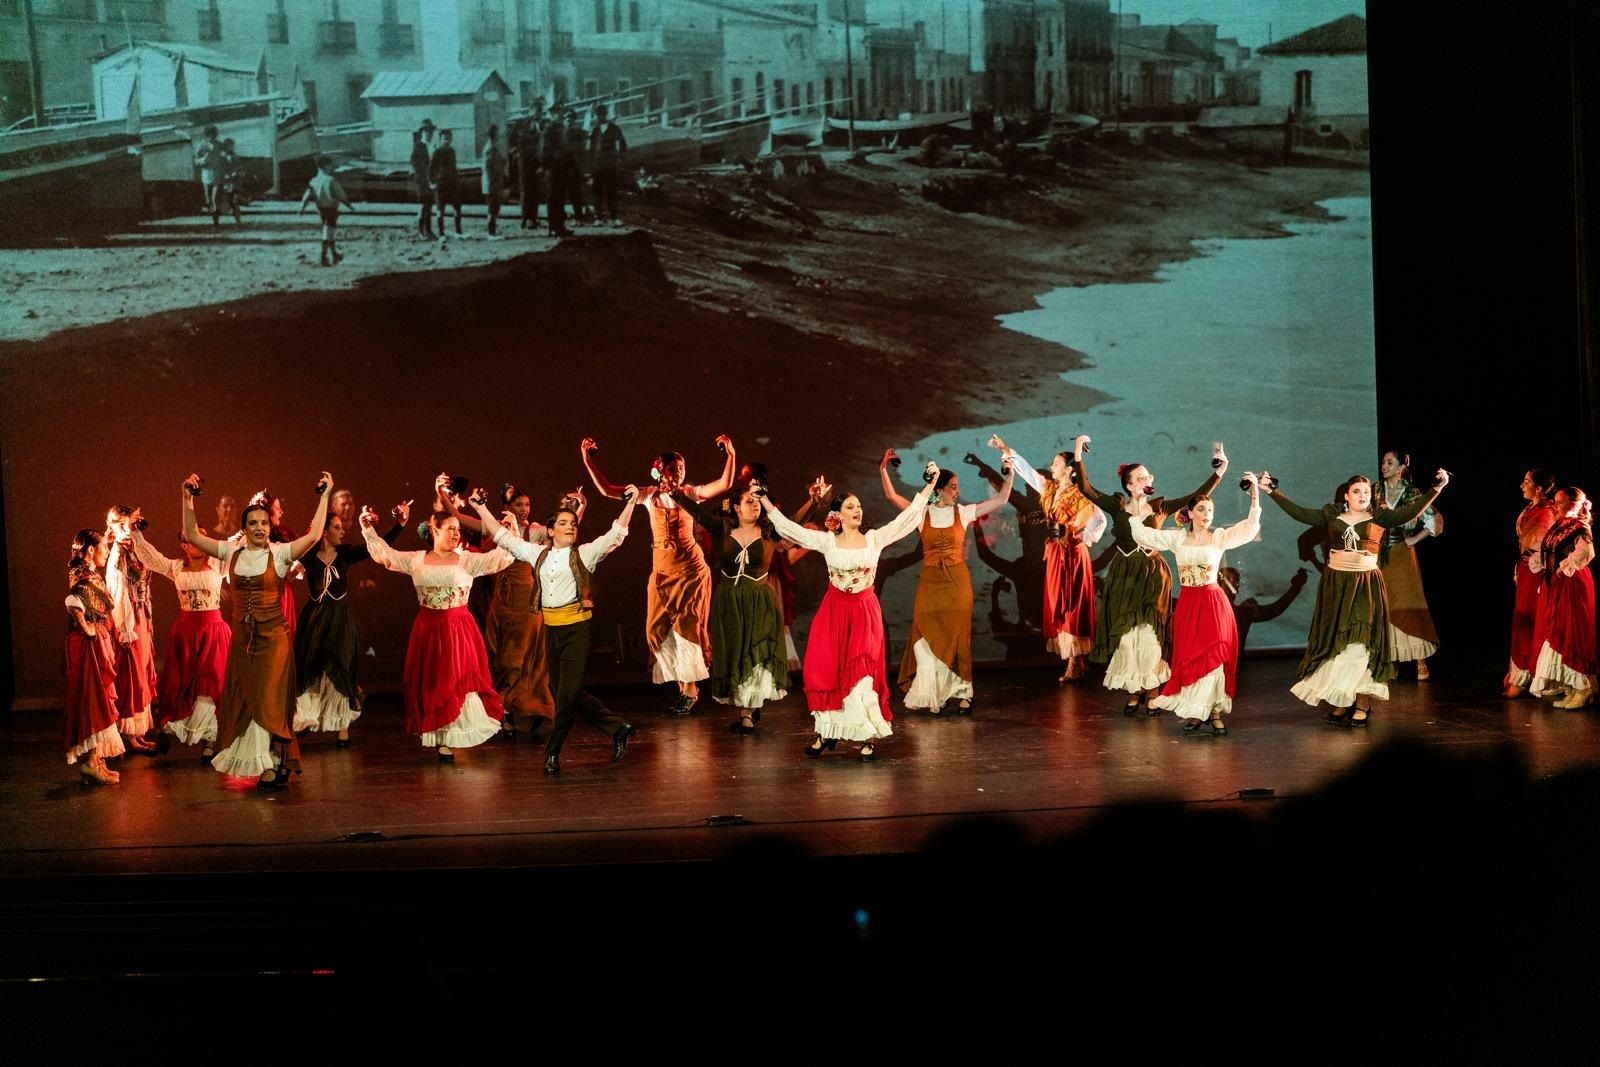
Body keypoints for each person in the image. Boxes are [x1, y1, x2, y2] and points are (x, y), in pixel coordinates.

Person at [762, 471, 940, 760]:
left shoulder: (874, 539)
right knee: (828, 672)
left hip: (864, 614)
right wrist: (767, 504)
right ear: (838, 514)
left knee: (862, 674)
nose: (857, 510)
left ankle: (867, 736)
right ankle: (828, 732)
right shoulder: (827, 541)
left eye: (858, 506)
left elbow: (906, 520)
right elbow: (791, 531)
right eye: (850, 507)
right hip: (833, 614)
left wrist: (929, 485)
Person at [470, 488, 641, 773]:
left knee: (565, 695)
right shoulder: (537, 554)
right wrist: (480, 508)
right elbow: (503, 537)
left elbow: (617, 534)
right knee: (560, 689)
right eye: (563, 523)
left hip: (576, 630)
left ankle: (552, 753)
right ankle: (617, 728)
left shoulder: (585, 554)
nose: (570, 527)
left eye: (572, 523)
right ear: (549, 530)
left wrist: (632, 502)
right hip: (551, 630)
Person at [1264, 468, 1448, 725]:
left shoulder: (1379, 516)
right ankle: (1344, 700)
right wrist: (1273, 491)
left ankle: (1362, 703)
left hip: (1365, 585)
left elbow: (1410, 512)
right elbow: (1300, 513)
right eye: (1356, 491)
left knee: (1361, 644)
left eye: (1366, 492)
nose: (1362, 495)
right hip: (1337, 586)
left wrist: (1435, 489)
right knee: (1338, 645)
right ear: (1346, 496)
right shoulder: (1332, 514)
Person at [183, 471, 332, 789]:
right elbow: (193, 535)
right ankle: (263, 760)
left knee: (271, 699)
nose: (260, 528)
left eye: (264, 523)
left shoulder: (279, 554)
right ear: (244, 527)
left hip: (274, 638)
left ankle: (277, 760)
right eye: (253, 523)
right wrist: (188, 498)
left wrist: (324, 496)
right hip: (242, 640)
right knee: (246, 699)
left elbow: (315, 534)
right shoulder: (230, 552)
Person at [359, 476, 514, 762]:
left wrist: (510, 530)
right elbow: (386, 556)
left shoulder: (467, 560)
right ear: (435, 529)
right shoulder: (417, 559)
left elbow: (501, 559)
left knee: (457, 680)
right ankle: (441, 737)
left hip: (459, 629)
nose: (457, 534)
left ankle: (456, 732)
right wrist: (367, 528)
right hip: (429, 630)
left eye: (458, 529)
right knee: (435, 682)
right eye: (451, 529)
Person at [581, 435, 737, 713]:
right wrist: (587, 459)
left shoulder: (689, 493)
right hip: (662, 570)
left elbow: (723, 484)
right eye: (673, 468)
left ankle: (690, 691)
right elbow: (607, 491)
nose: (678, 472)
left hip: (690, 569)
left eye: (681, 468)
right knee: (657, 630)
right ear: (660, 470)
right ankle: (682, 686)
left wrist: (730, 455)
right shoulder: (648, 495)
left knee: (687, 627)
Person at [1073, 436, 1224, 712]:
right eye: (1141, 477)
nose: (1146, 480)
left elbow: (1195, 498)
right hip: (1124, 575)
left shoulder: (1160, 507)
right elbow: (1085, 488)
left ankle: (1153, 691)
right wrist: (1078, 454)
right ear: (1130, 485)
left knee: (1150, 635)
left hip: (1153, 575)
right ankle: (1134, 691)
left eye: (1148, 476)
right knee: (1128, 638)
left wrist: (1218, 473)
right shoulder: (1117, 506)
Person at [880, 448, 1014, 714]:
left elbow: (1001, 499)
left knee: (957, 637)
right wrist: (883, 469)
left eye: (958, 487)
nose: (957, 491)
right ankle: (936, 694)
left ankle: (964, 692)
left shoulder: (963, 513)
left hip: (956, 582)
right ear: (939, 489)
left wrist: (1009, 473)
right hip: (930, 583)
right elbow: (892, 496)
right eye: (953, 487)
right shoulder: (921, 514)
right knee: (926, 638)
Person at [1128, 475, 1263, 735]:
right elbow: (1144, 535)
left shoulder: (1220, 537)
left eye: (1210, 510)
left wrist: (1255, 495)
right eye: (1201, 509)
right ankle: (1195, 712)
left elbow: (1248, 528)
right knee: (1190, 658)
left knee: (1214, 658)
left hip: (1213, 603)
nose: (1207, 514)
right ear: (1189, 513)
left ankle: (1213, 713)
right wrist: (1136, 507)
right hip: (1190, 605)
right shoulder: (1177, 539)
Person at [659, 482, 788, 733]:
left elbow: (793, 522)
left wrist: (815, 501)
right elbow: (697, 513)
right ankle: (749, 703)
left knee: (758, 649)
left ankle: (747, 712)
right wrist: (675, 493)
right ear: (736, 507)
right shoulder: (724, 527)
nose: (754, 505)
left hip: (759, 600)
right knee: (737, 651)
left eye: (757, 500)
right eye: (748, 501)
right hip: (730, 600)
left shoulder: (769, 530)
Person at [991, 435, 1108, 684]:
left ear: (1069, 470)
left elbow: (1100, 520)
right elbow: (1027, 472)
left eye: (1056, 463)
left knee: (1072, 603)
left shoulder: (1082, 495)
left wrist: (1080, 536)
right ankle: (1075, 659)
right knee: (1058, 603)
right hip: (1056, 553)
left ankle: (1075, 660)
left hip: (1074, 554)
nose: (1052, 466)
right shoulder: (1050, 490)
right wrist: (1005, 448)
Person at [292, 501, 409, 747]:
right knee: (312, 666)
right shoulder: (309, 557)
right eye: (336, 527)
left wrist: (398, 525)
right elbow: (285, 557)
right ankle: (306, 718)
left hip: (340, 619)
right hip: (315, 620)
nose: (342, 530)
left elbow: (374, 549)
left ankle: (342, 726)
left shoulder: (345, 554)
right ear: (323, 532)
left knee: (342, 666)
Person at [131, 506, 228, 760]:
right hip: (186, 633)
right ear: (185, 545)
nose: (201, 543)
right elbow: (150, 557)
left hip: (213, 632)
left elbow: (236, 543)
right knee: (182, 684)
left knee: (210, 683)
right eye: (194, 538)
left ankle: (210, 739)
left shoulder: (219, 564)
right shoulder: (176, 568)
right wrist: (136, 534)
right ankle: (180, 729)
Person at [63, 530, 124, 785]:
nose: (106, 551)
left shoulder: (86, 571)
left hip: (96, 639)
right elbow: (72, 600)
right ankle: (90, 762)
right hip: (89, 644)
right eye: (103, 548)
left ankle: (97, 759)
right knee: (93, 697)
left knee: (99, 696)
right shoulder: (84, 576)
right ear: (91, 550)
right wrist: (87, 627)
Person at [1378, 449, 1442, 680]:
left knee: (1409, 604)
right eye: (1383, 462)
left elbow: (1434, 518)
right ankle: (1391, 662)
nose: (1384, 466)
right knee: (1385, 607)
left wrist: (1414, 539)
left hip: (1402, 556)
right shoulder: (1376, 490)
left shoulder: (1411, 493)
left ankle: (1420, 662)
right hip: (1379, 556)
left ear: (1401, 467)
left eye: (1389, 462)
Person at [1530, 486, 1595, 709]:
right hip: (1556, 584)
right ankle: (1570, 685)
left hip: (1572, 583)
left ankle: (1583, 686)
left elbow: (1586, 553)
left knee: (1572, 632)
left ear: (1574, 505)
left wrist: (1562, 568)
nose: (1555, 506)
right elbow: (1546, 551)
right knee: (1557, 630)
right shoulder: (1558, 526)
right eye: (1555, 501)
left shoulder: (1579, 527)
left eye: (1560, 502)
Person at [104, 506, 159, 753]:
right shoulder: (117, 553)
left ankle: (138, 731)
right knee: (132, 674)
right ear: (114, 526)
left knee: (143, 671)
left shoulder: (133, 549)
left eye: (130, 524)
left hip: (141, 616)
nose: (128, 530)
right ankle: (129, 733)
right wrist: (125, 628)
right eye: (123, 525)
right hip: (129, 619)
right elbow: (117, 593)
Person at [1506, 468, 1560, 697]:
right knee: (1524, 619)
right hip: (1527, 568)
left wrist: (1534, 562)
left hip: (1540, 569)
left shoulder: (1548, 510)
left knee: (1534, 619)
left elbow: (1546, 543)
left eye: (1526, 481)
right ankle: (1522, 675)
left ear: (1538, 488)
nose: (1522, 485)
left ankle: (1539, 676)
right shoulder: (1530, 509)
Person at [298, 155, 355, 267]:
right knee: (328, 232)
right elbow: (341, 196)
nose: (332, 167)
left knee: (328, 231)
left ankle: (335, 255)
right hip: (332, 209)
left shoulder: (314, 181)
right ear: (326, 166)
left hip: (320, 209)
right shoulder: (331, 180)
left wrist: (302, 208)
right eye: (330, 165)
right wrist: (349, 206)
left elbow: (307, 196)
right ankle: (323, 257)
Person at [589, 104, 628, 226]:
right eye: (598, 115)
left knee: (612, 191)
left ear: (606, 115)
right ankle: (598, 217)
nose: (600, 117)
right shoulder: (595, 130)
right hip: (598, 166)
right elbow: (591, 149)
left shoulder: (614, 128)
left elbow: (622, 144)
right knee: (597, 192)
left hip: (611, 164)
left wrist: (620, 158)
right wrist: (591, 165)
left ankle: (614, 217)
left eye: (602, 114)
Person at [542, 111, 572, 238]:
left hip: (561, 169)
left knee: (560, 199)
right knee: (553, 199)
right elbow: (544, 151)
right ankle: (553, 227)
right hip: (552, 169)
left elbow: (566, 149)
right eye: (556, 111)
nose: (559, 114)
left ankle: (560, 226)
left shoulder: (561, 129)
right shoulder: (548, 130)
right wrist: (549, 164)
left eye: (560, 110)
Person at [516, 105, 545, 232]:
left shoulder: (542, 124)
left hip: (536, 160)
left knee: (535, 190)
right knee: (526, 190)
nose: (539, 114)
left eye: (540, 112)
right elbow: (515, 139)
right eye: (537, 111)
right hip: (524, 161)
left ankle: (534, 217)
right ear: (531, 110)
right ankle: (525, 218)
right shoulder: (522, 123)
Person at [430, 128, 463, 238]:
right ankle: (441, 234)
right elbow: (430, 168)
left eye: (448, 139)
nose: (446, 141)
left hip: (452, 184)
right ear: (440, 139)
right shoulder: (437, 152)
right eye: (444, 139)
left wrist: (457, 181)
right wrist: (432, 182)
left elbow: (454, 168)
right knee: (440, 210)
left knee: (457, 207)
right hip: (440, 185)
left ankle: (458, 232)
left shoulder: (452, 151)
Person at [482, 124, 507, 238]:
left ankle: (493, 230)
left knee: (495, 208)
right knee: (492, 209)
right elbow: (489, 167)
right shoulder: (490, 148)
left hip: (494, 183)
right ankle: (491, 233)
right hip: (492, 184)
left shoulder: (493, 147)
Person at [410, 124, 435, 239]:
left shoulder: (432, 146)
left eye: (430, 131)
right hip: (422, 181)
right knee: (422, 206)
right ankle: (421, 231)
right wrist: (424, 178)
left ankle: (428, 230)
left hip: (431, 181)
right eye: (426, 131)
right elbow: (416, 164)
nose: (429, 133)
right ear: (422, 133)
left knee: (429, 205)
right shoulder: (418, 146)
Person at [195, 124, 220, 219]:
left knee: (215, 199)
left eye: (214, 135)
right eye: (210, 135)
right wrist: (203, 160)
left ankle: (216, 222)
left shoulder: (219, 145)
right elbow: (196, 161)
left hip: (217, 175)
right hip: (206, 176)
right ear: (206, 135)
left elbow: (224, 157)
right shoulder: (201, 146)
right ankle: (214, 219)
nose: (212, 137)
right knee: (208, 200)